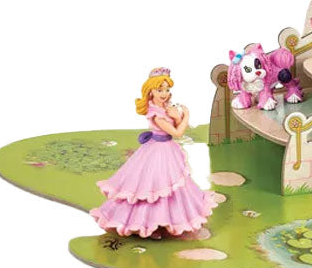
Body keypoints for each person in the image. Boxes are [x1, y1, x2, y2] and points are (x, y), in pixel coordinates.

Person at [90, 68, 218, 238]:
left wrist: (177, 117)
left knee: (172, 186)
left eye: (167, 89)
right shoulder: (156, 114)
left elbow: (175, 124)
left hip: (167, 150)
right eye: (159, 90)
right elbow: (177, 132)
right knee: (153, 186)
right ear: (151, 91)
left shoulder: (165, 107)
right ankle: (148, 223)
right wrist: (186, 115)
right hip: (157, 150)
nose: (164, 93)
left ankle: (168, 220)